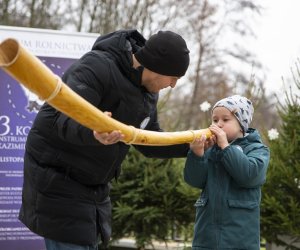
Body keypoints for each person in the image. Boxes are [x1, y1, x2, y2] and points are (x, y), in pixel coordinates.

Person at [19, 30, 190, 250]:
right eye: (173, 77)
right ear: (157, 67)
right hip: (57, 179)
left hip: (95, 188)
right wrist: (93, 133)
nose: (173, 85)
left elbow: (148, 138)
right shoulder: (97, 66)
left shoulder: (147, 92)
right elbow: (62, 120)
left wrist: (189, 147)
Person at [184, 95, 270, 249]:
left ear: (242, 124)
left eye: (225, 119)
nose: (219, 124)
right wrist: (198, 154)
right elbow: (194, 180)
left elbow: (248, 176)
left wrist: (226, 147)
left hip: (239, 240)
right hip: (206, 239)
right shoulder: (211, 149)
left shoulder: (257, 150)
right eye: (215, 120)